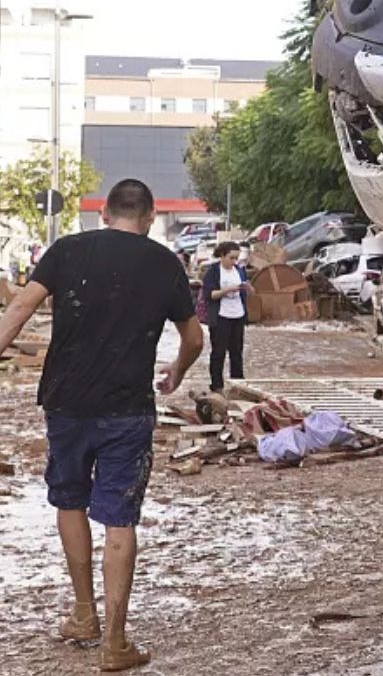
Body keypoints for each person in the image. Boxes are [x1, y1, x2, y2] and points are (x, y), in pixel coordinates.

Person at [0, 179, 204, 671]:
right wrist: (175, 371)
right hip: (128, 409)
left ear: (105, 214)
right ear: (151, 216)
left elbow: (20, 309)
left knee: (69, 500)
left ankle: (83, 615)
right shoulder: (165, 264)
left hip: (66, 405)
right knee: (119, 518)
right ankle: (115, 642)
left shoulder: (67, 250)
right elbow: (194, 337)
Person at [200, 242, 251, 391]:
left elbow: (247, 293)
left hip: (238, 316)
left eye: (236, 258)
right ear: (221, 255)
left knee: (237, 352)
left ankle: (238, 385)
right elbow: (210, 295)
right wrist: (226, 290)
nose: (234, 261)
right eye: (231, 258)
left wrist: (248, 288)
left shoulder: (239, 270)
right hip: (221, 317)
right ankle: (217, 386)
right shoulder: (213, 272)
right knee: (219, 352)